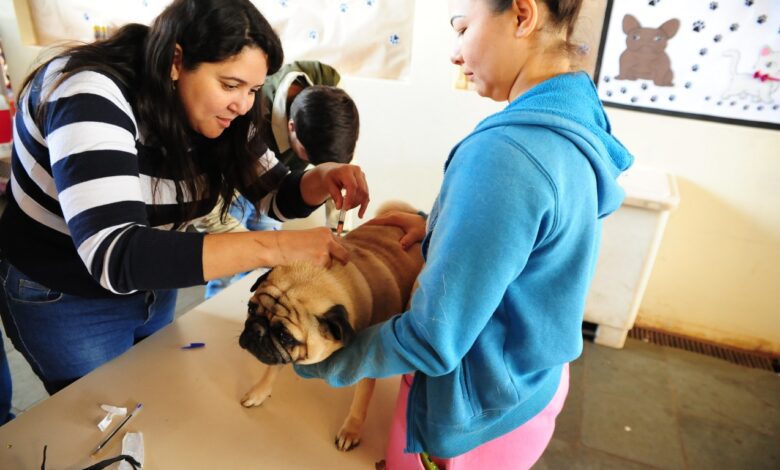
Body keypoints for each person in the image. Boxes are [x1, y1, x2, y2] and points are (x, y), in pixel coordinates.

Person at [295, 0, 633, 468]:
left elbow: (434, 339)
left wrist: (318, 357)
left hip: (477, 404)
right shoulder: (574, 119)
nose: (455, 54)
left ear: (521, 15)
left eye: (462, 28)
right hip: (531, 379)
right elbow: (535, 243)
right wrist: (443, 230)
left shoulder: (505, 154)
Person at [0, 0, 369, 396]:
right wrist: (277, 247)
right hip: (67, 294)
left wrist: (321, 177)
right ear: (176, 60)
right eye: (230, 85)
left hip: (154, 282)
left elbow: (274, 194)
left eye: (254, 90)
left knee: (151, 389)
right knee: (97, 413)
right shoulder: (89, 92)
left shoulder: (223, 111)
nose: (243, 104)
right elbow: (117, 253)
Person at [198, 60, 359, 298]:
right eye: (311, 159)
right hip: (224, 189)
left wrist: (340, 234)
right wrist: (259, 248)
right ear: (291, 127)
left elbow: (329, 178)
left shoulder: (330, 86)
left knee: (268, 273)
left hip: (276, 187)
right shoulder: (249, 111)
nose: (316, 167)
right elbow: (208, 208)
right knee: (228, 272)